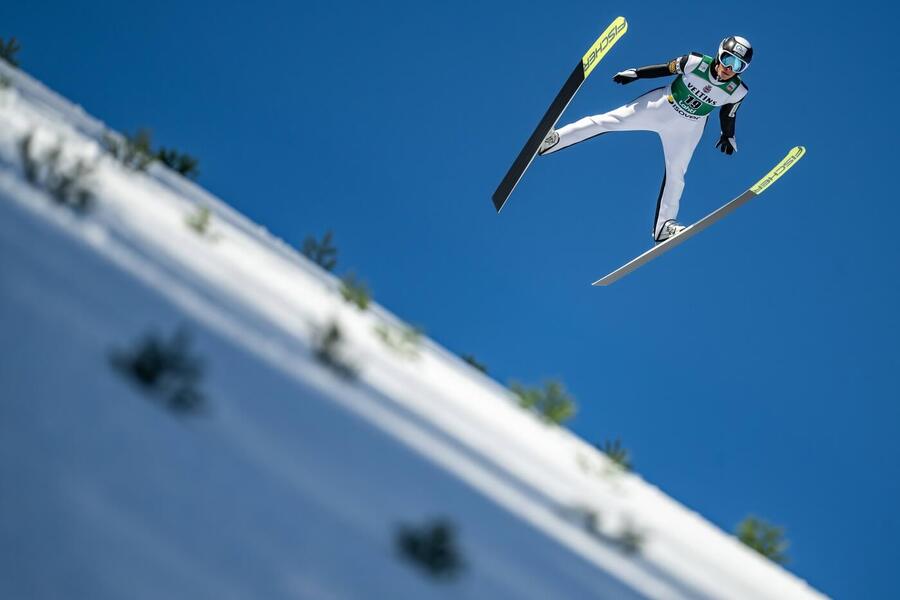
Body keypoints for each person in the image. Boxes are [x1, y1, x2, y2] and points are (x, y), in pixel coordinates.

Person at [538, 36, 753, 242]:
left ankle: (664, 226)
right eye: (728, 59)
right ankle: (555, 140)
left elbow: (728, 113)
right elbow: (664, 68)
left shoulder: (737, 90)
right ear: (719, 53)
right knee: (609, 121)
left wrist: (728, 135)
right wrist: (636, 73)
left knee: (676, 173)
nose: (730, 68)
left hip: (688, 128)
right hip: (660, 106)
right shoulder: (695, 63)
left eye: (738, 65)